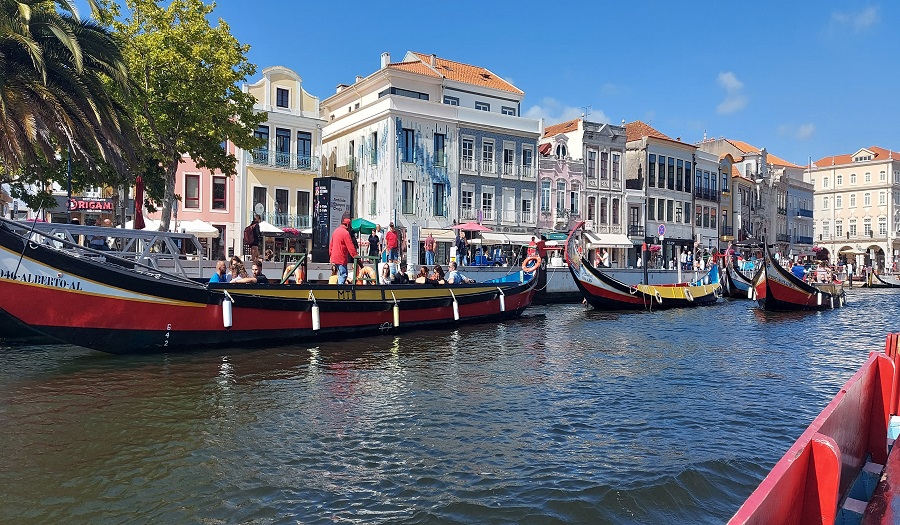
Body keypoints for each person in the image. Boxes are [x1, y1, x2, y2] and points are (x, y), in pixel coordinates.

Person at [329, 217, 358, 284]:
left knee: (336, 273)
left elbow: (331, 244)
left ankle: (335, 288)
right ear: (348, 225)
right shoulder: (345, 233)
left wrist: (330, 255)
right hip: (341, 258)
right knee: (344, 274)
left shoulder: (336, 231)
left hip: (334, 257)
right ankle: (339, 290)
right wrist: (356, 256)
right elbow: (351, 247)